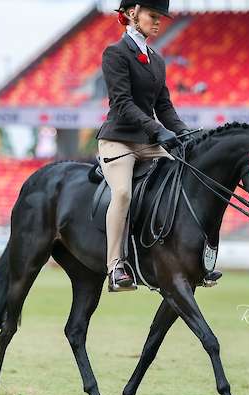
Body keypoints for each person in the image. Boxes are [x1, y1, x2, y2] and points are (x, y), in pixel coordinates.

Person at [97, 0, 218, 292]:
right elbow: (123, 104)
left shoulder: (157, 59)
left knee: (192, 172)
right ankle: (115, 267)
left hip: (147, 141)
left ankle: (193, 258)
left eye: (160, 17)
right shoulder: (114, 53)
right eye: (153, 15)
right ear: (131, 13)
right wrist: (159, 131)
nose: (158, 22)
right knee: (123, 193)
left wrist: (184, 133)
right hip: (118, 140)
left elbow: (164, 106)